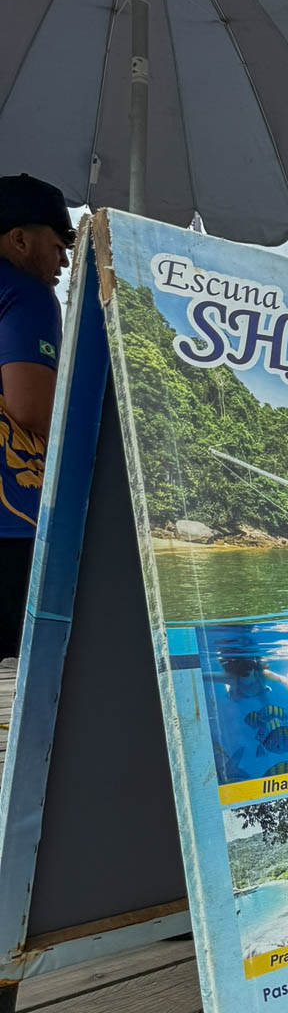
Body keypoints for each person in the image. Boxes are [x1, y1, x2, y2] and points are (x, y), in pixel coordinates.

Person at [0, 174, 74, 659]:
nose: (64, 262)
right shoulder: (26, 293)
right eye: (58, 246)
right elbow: (32, 409)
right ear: (20, 240)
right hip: (14, 523)